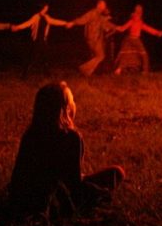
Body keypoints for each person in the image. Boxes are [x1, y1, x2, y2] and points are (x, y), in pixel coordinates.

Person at [9, 81, 125, 217]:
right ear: (66, 109)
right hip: (51, 200)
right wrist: (99, 193)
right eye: (73, 101)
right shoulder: (71, 137)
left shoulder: (30, 134)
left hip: (21, 199)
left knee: (111, 174)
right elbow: (72, 185)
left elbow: (19, 176)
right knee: (116, 173)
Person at [68, 0, 116, 76]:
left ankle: (87, 73)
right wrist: (73, 22)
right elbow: (83, 19)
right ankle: (83, 69)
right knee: (100, 56)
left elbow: (105, 25)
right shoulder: (93, 13)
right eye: (103, 5)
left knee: (96, 56)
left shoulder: (99, 15)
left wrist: (115, 27)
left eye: (105, 5)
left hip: (96, 38)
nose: (105, 7)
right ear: (98, 5)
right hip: (93, 38)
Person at [113, 4, 162, 74]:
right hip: (133, 39)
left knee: (127, 54)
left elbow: (147, 29)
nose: (140, 12)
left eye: (140, 11)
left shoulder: (136, 21)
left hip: (131, 39)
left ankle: (120, 69)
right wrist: (116, 27)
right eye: (139, 10)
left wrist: (157, 32)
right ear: (137, 11)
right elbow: (123, 29)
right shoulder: (133, 21)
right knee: (142, 54)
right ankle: (144, 70)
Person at [13, 4, 54, 78]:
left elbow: (54, 21)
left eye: (47, 8)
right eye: (45, 8)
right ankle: (25, 74)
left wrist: (65, 23)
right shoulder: (36, 17)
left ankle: (47, 73)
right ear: (42, 8)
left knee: (45, 56)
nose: (47, 9)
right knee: (32, 57)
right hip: (37, 40)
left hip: (43, 40)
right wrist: (18, 27)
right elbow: (28, 23)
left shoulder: (46, 17)